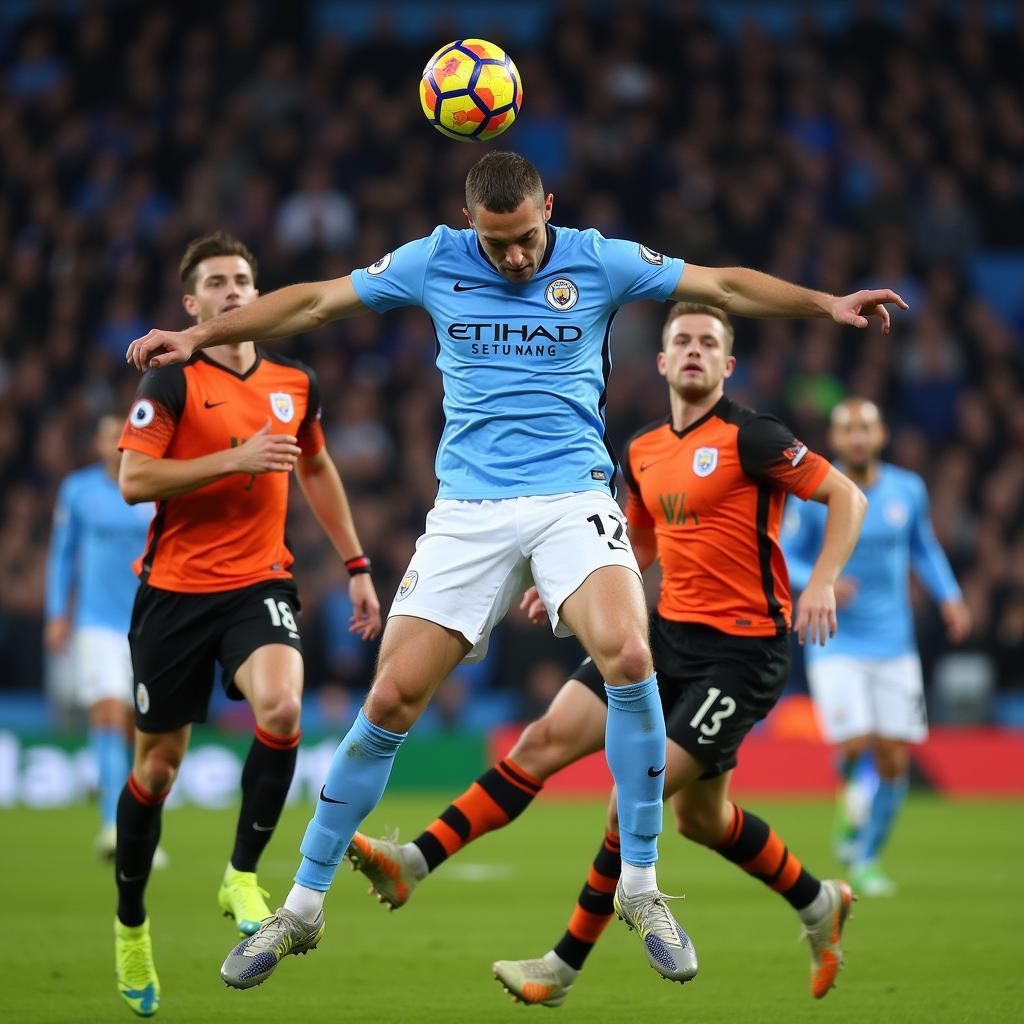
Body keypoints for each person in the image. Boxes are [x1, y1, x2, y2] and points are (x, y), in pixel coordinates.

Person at [125, 151, 904, 993]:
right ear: (471, 228)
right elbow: (314, 303)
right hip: (467, 512)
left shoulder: (597, 258)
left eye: (529, 239)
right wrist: (201, 338)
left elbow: (722, 285)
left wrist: (826, 302)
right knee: (390, 700)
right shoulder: (432, 261)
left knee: (630, 654)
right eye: (498, 246)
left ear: (550, 212)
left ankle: (640, 886)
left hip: (572, 495)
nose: (518, 259)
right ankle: (302, 908)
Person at [347, 303, 867, 1004]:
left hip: (741, 656)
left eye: (708, 343)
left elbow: (846, 497)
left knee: (636, 792)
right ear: (659, 361)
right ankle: (413, 860)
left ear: (727, 365)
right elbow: (641, 542)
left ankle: (559, 969)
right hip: (667, 636)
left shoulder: (754, 437)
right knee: (610, 773)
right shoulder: (645, 449)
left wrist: (825, 582)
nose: (692, 351)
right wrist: (567, 583)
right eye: (680, 340)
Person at [112, 231, 381, 1018]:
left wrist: (358, 566)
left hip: (259, 583)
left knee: (284, 707)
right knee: (157, 769)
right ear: (191, 305)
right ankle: (131, 926)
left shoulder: (295, 381)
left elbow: (316, 465)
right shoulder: (171, 383)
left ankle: (241, 874)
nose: (233, 291)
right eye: (216, 283)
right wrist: (231, 460)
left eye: (243, 280)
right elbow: (135, 479)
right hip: (172, 595)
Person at [782, 398, 970, 896]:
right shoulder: (816, 492)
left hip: (894, 643)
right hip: (836, 639)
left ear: (882, 434)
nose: (858, 436)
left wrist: (950, 597)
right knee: (855, 744)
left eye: (866, 426)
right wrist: (822, 580)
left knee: (892, 756)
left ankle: (866, 856)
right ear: (836, 439)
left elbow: (923, 547)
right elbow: (785, 555)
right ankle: (850, 783)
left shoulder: (907, 490)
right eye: (848, 429)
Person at [44, 412, 158, 860]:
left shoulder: (154, 484)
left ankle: (135, 818)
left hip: (147, 624)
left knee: (138, 727)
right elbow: (62, 555)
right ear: (98, 444)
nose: (119, 442)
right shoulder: (78, 491)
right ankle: (114, 825)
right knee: (108, 711)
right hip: (95, 624)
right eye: (111, 436)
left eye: (125, 434)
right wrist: (58, 614)